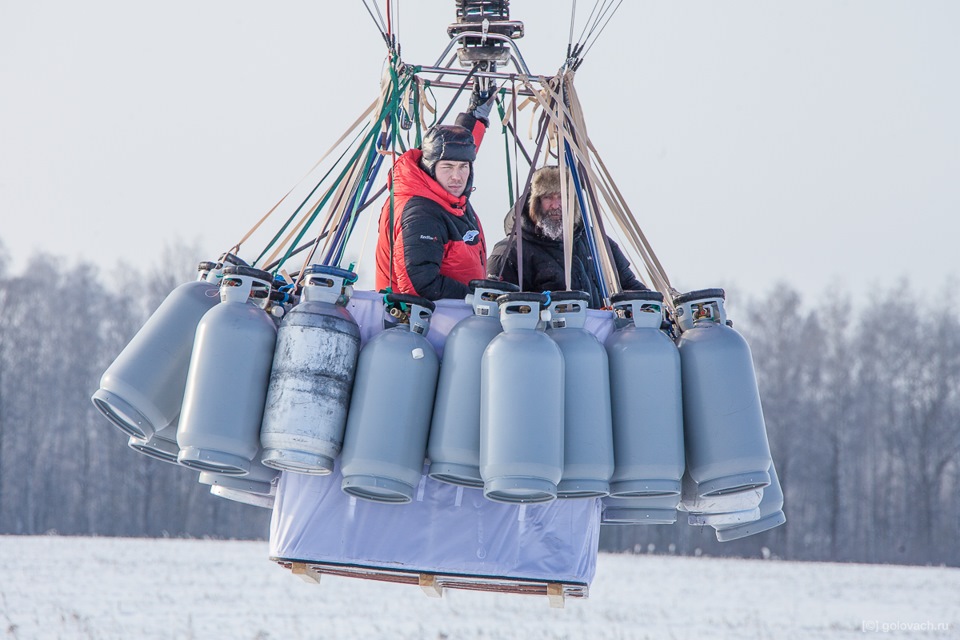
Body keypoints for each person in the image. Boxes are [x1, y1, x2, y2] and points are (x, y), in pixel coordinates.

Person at [374, 86, 496, 301]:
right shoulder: (421, 213)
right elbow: (419, 284)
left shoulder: (446, 196)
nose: (457, 176)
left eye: (463, 167)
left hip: (455, 317)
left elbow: (454, 150)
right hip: (424, 323)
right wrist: (480, 297)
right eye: (447, 167)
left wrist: (476, 119)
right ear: (430, 169)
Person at [486, 165, 647, 308]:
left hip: (597, 338)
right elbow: (496, 308)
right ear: (534, 202)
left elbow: (630, 287)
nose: (555, 205)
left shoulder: (597, 242)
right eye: (547, 197)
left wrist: (650, 306)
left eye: (562, 196)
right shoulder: (510, 252)